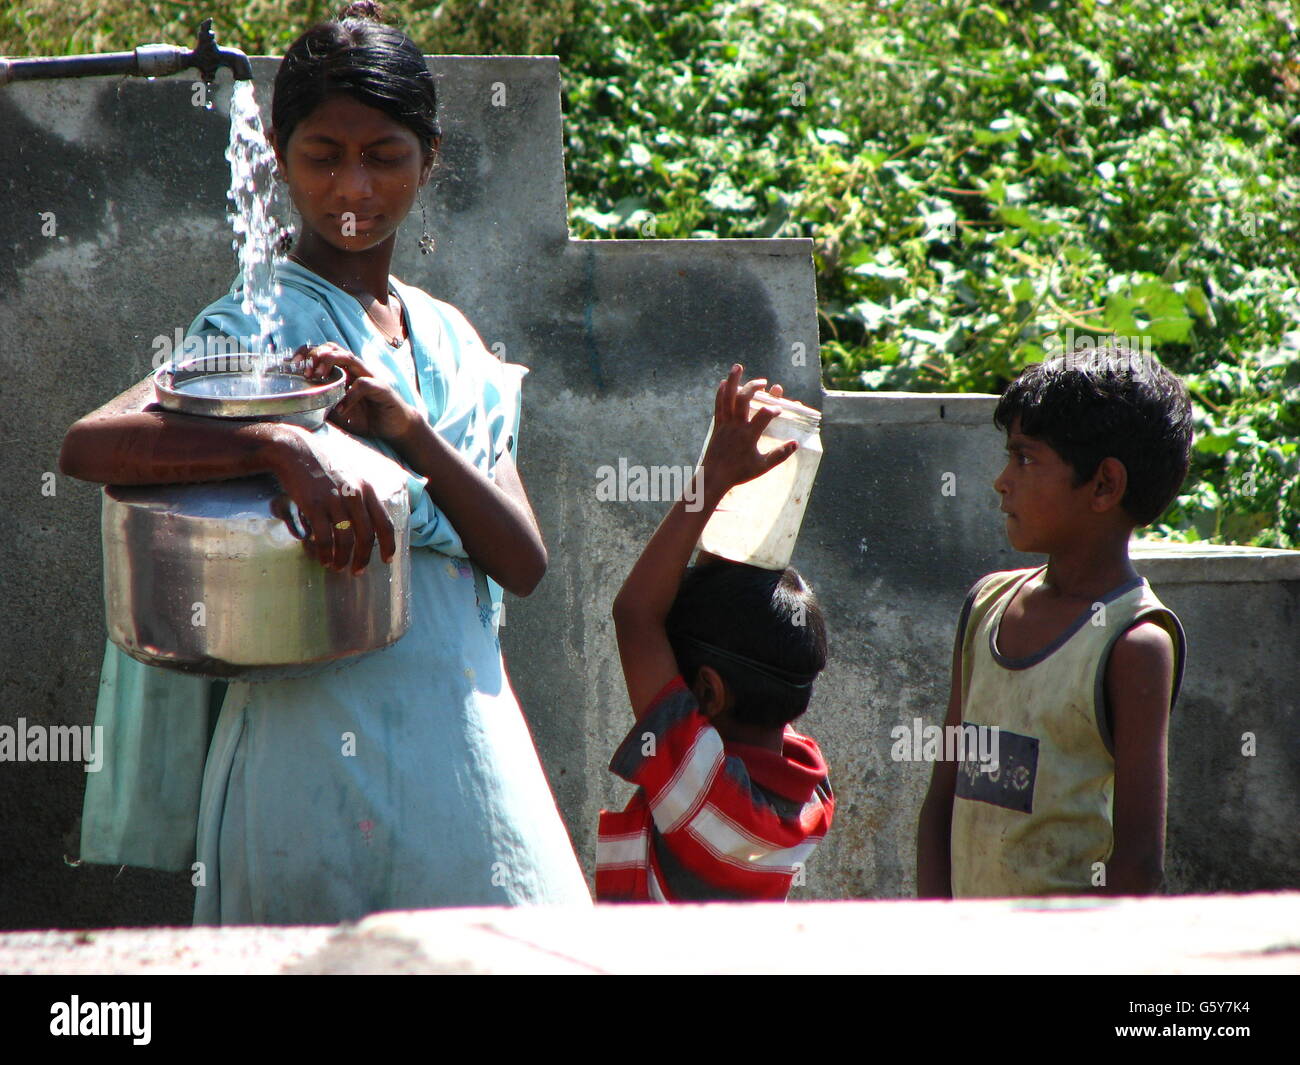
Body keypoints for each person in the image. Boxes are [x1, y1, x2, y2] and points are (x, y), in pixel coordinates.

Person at [59, 1, 591, 923]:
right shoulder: (259, 324)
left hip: (467, 745)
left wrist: (410, 430)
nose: (353, 185)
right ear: (274, 155)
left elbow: (522, 561)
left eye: (384, 154)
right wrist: (277, 442)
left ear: (429, 156)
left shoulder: (456, 345)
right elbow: (90, 445)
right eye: (322, 155)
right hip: (307, 755)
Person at [916, 345, 1193, 898]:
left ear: (1103, 486)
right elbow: (940, 806)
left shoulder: (1134, 643)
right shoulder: (985, 607)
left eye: (1024, 458)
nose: (1000, 480)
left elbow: (1138, 863)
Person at [596, 365, 834, 902]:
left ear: (707, 692)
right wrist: (741, 478)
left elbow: (636, 616)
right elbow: (734, 614)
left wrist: (713, 478)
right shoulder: (808, 787)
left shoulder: (705, 793)